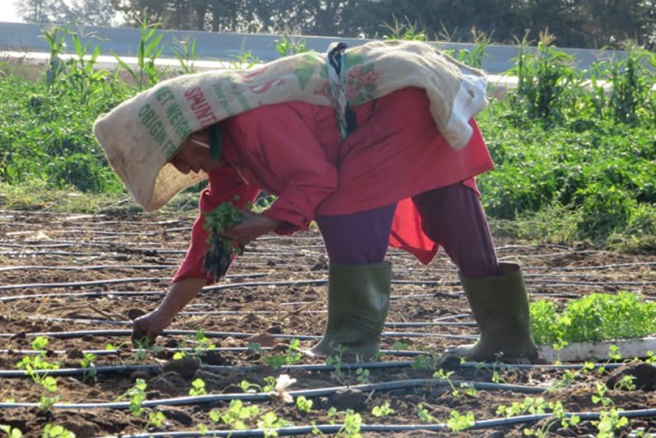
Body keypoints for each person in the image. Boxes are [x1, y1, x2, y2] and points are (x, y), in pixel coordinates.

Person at [94, 41, 539, 362]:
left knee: (347, 208)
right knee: (447, 210)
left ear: (193, 134)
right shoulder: (227, 159)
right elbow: (212, 240)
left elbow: (316, 179)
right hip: (411, 96)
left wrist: (266, 221)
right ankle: (508, 339)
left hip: (400, 101)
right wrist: (160, 317)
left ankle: (350, 346)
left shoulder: (252, 123)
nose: (186, 170)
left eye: (177, 157)